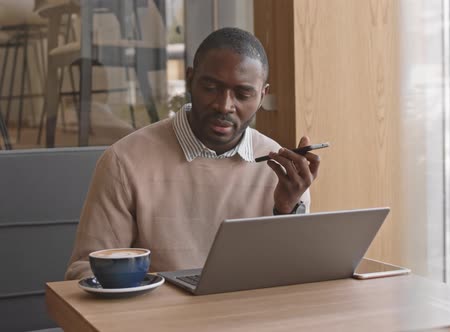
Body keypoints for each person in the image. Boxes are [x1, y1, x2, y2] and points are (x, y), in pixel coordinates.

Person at [65, 27, 321, 280]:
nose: (224, 105)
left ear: (262, 95)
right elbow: (86, 271)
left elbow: (292, 277)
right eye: (211, 87)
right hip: (157, 317)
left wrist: (287, 210)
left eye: (243, 94)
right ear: (190, 80)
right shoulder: (125, 162)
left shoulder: (283, 171)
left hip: (250, 317)